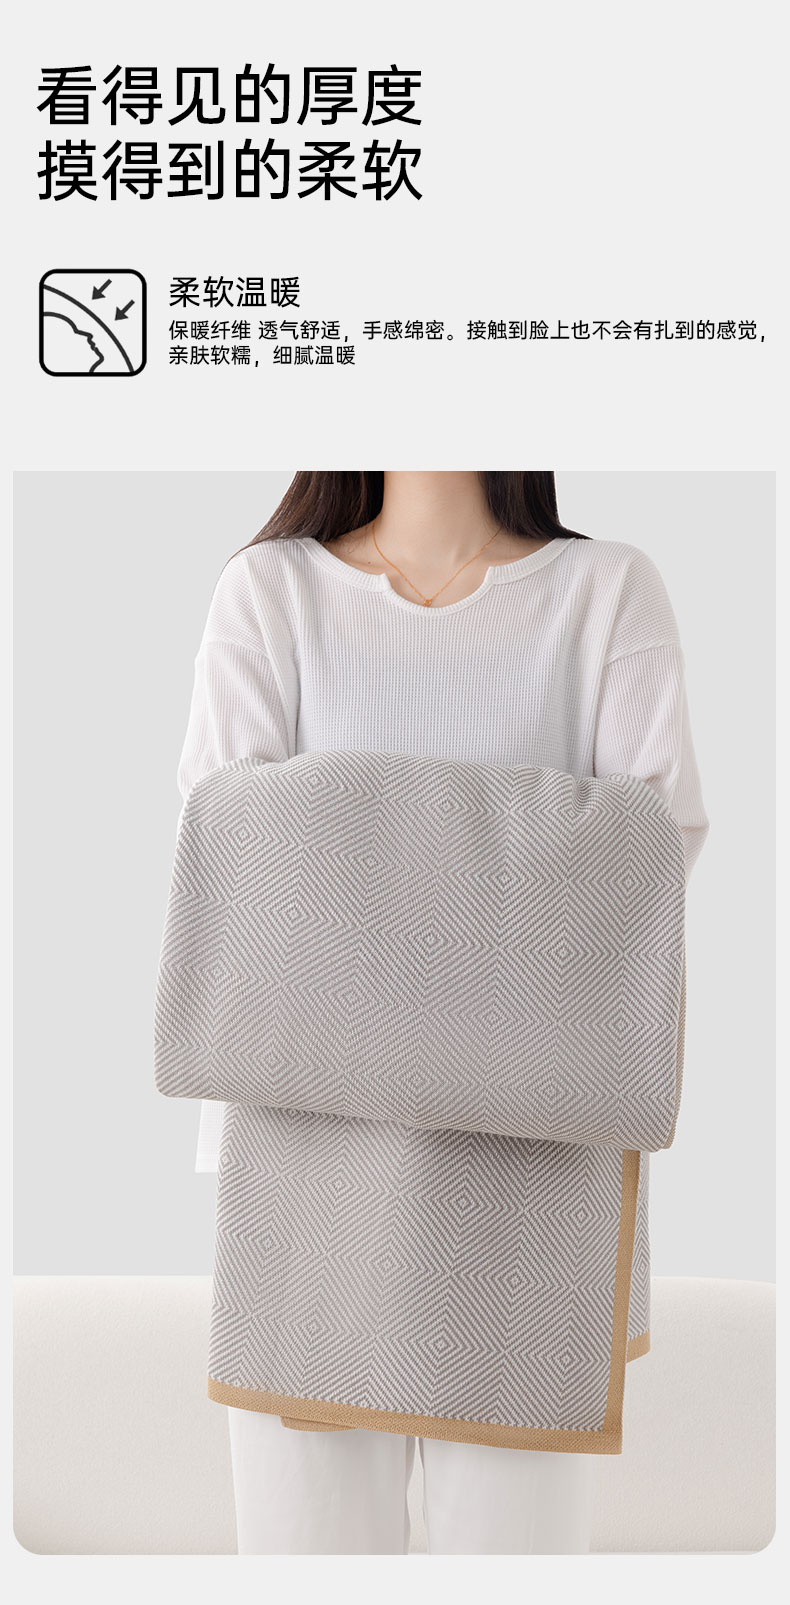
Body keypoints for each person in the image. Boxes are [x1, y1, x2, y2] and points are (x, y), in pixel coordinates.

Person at [174, 470, 709, 1554]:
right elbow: (232, 855)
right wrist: (515, 872)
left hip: (534, 1195)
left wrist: (346, 847)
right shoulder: (269, 590)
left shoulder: (606, 592)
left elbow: (651, 856)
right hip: (304, 1179)